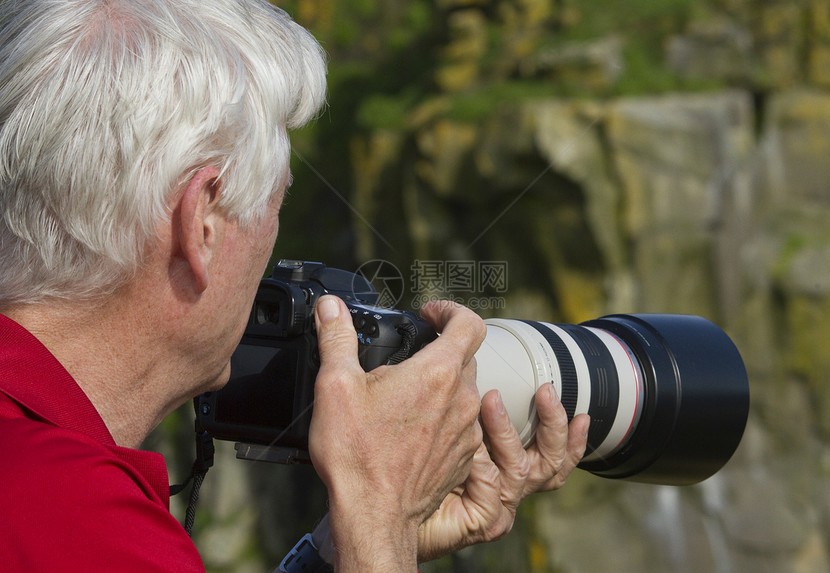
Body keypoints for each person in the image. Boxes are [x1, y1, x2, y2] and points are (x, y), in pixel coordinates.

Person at [0, 1, 590, 571]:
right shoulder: (83, 524)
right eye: (272, 204)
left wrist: (345, 546)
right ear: (200, 222)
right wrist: (380, 509)